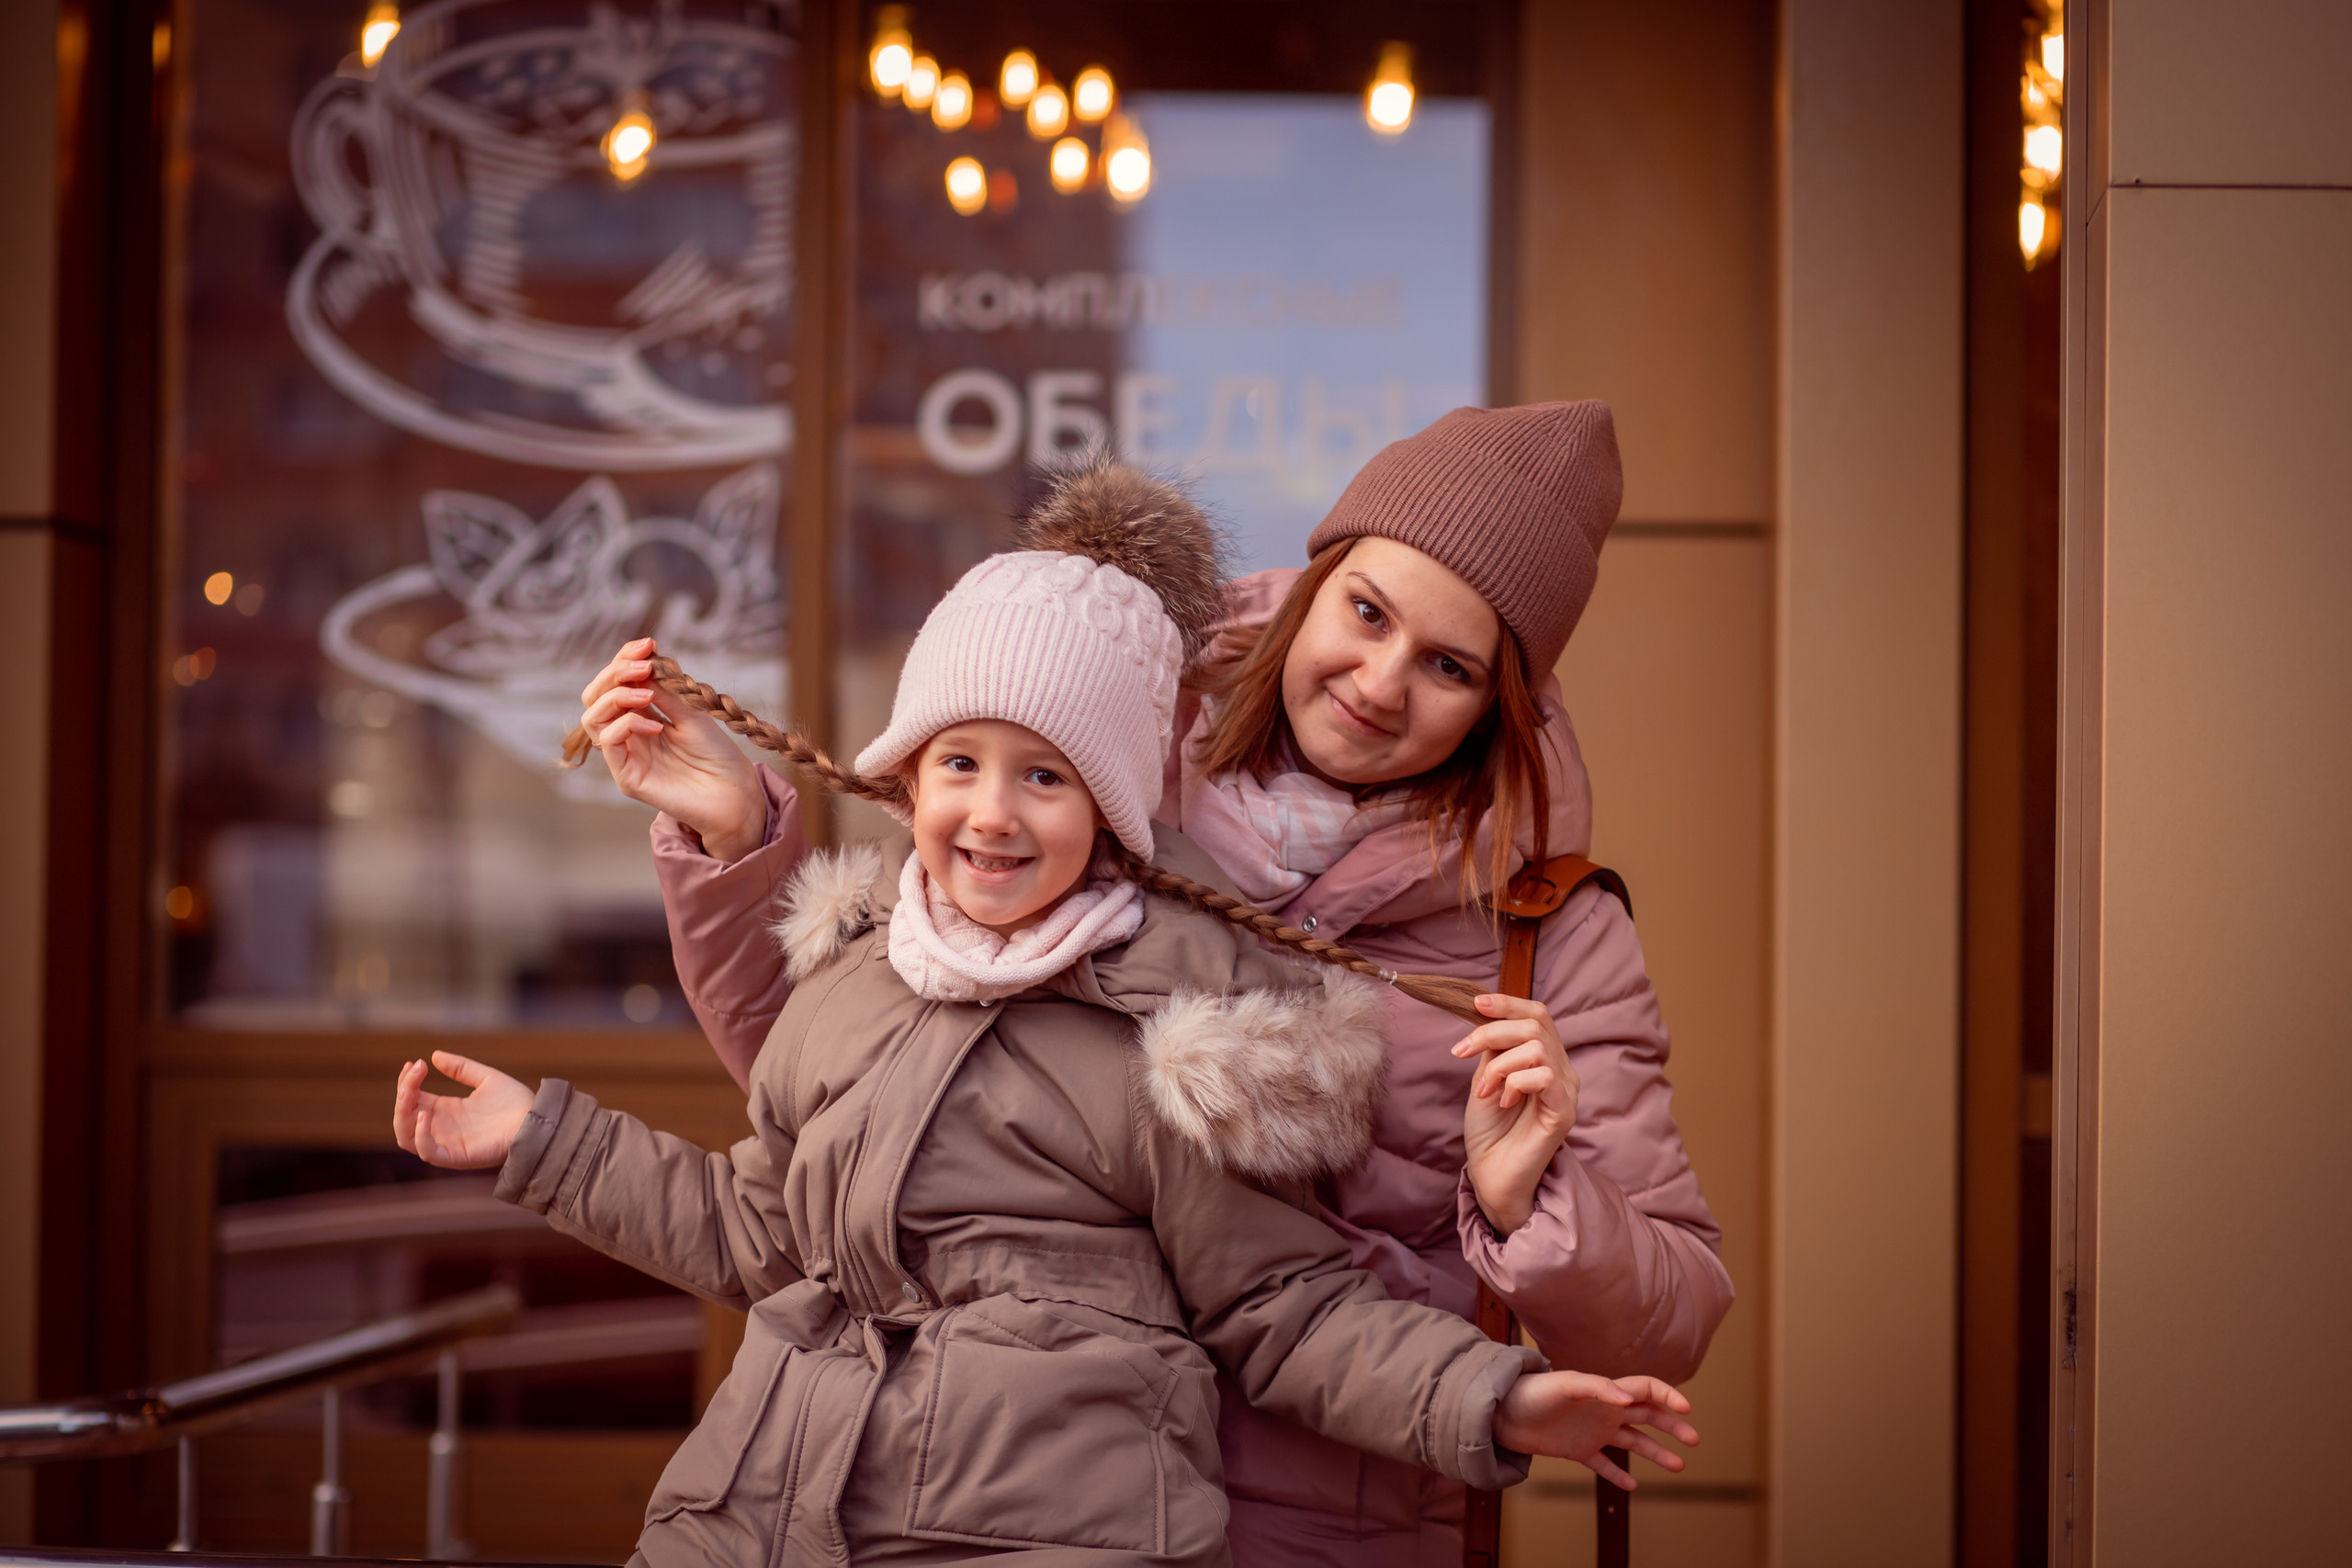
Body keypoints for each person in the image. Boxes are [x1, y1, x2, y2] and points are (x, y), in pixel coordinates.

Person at [393, 467, 1698, 1568]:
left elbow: (1290, 1303)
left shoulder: (1504, 939)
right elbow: (815, 1174)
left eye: (1451, 664)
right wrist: (553, 1125)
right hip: (809, 1501)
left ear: (1498, 706)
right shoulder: (1106, 760)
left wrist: (1522, 1270)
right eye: (1365, 610)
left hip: (1246, 1516)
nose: (1380, 676)